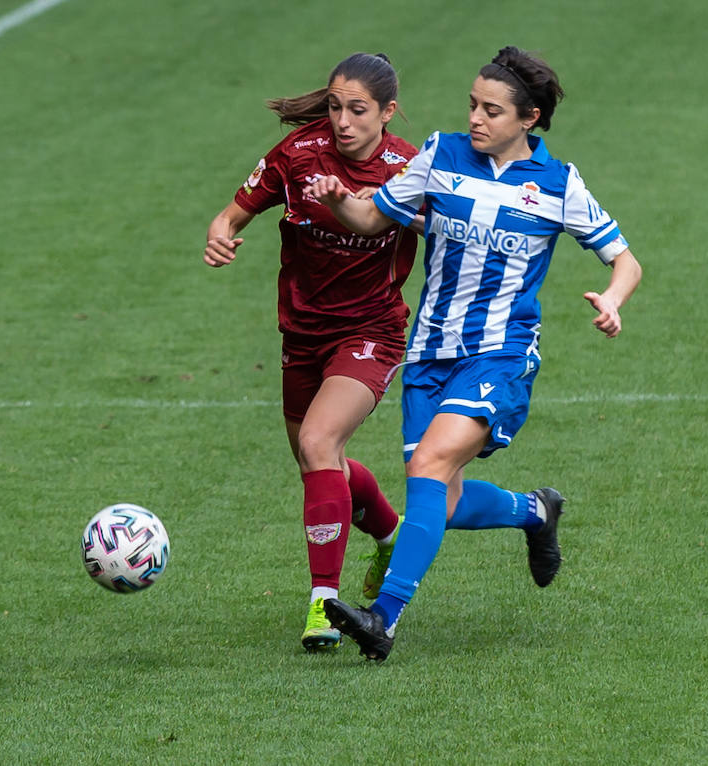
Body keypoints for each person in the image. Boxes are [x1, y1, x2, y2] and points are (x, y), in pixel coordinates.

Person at [308, 46, 643, 661]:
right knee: (445, 498)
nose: (476, 119)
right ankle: (533, 511)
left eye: (492, 110)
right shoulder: (440, 155)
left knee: (431, 466)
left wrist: (614, 301)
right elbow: (371, 216)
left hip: (502, 355)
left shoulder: (558, 185)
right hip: (430, 354)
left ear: (530, 118)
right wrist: (336, 199)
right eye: (472, 105)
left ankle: (383, 617)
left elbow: (625, 259)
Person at [203, 53, 421, 653]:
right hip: (302, 332)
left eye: (357, 110)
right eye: (334, 107)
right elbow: (232, 213)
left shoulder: (410, 168)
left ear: (387, 112)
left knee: (320, 443)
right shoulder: (297, 155)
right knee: (315, 459)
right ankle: (391, 535)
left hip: (372, 330)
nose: (343, 122)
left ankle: (323, 602)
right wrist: (221, 234)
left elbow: (429, 224)